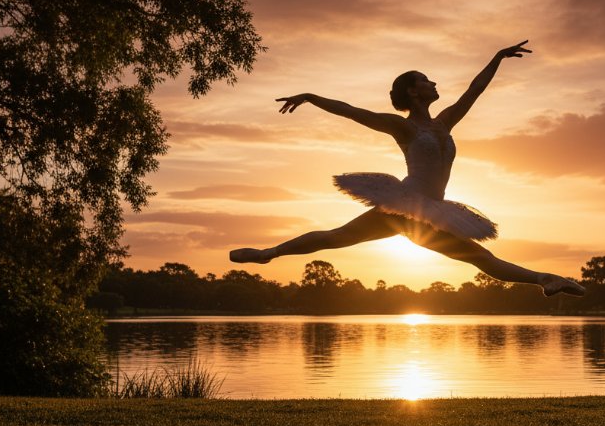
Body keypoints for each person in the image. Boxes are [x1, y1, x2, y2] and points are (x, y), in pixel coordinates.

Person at [230, 40, 585, 297]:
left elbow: (474, 91)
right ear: (414, 92)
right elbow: (352, 111)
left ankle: (546, 280)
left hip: (433, 210)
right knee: (338, 239)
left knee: (477, 257)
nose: (434, 84)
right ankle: (267, 254)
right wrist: (310, 97)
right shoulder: (404, 127)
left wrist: (497, 58)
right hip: (407, 204)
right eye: (426, 80)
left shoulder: (444, 123)